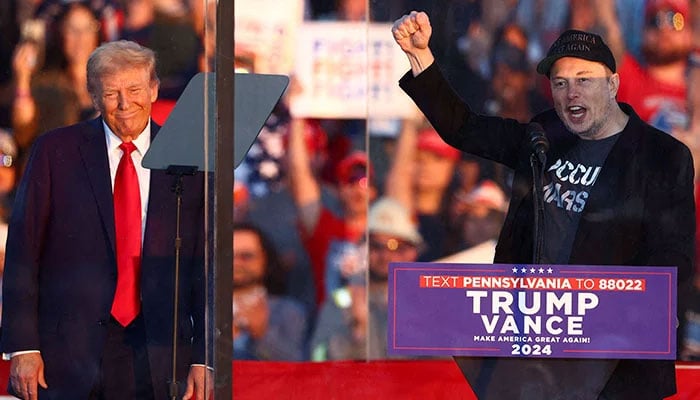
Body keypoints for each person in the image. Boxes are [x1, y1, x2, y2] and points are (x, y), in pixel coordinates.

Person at [392, 11, 695, 399]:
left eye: (584, 81)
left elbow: (675, 259)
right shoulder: (544, 133)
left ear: (614, 84)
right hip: (533, 360)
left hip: (614, 366)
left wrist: (608, 308)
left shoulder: (662, 155)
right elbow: (464, 128)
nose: (571, 94)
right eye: (560, 83)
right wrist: (421, 58)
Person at [1, 40, 209, 400]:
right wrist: (22, 347)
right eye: (111, 93)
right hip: (65, 355)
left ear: (155, 89)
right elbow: (23, 249)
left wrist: (205, 357)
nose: (125, 104)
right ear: (94, 97)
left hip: (156, 352)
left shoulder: (187, 160)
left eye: (134, 90)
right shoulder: (56, 151)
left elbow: (204, 266)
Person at [310, 196, 422, 360]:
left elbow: (445, 370)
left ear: (412, 252)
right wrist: (356, 334)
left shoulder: (428, 305)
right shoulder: (342, 301)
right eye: (376, 245)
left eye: (395, 246)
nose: (385, 256)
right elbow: (316, 358)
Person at [233, 222, 309, 361]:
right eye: (229, 256)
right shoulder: (204, 309)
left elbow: (299, 364)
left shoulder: (289, 311)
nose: (236, 263)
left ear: (265, 259)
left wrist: (262, 334)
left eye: (246, 256)